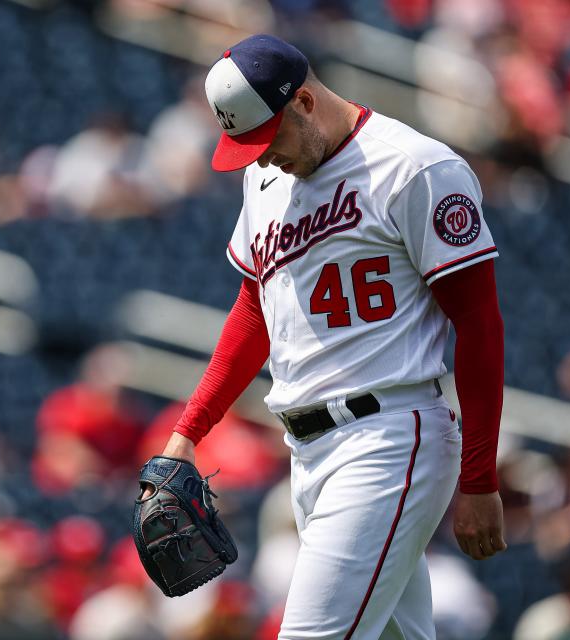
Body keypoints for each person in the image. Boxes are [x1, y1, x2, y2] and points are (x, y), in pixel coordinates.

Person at [145, 34, 507, 638]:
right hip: (307, 452)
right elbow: (254, 308)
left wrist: (479, 479)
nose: (262, 159)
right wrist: (188, 432)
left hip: (389, 438)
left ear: (305, 103)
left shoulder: (415, 167)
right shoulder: (264, 181)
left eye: (268, 140)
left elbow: (479, 323)